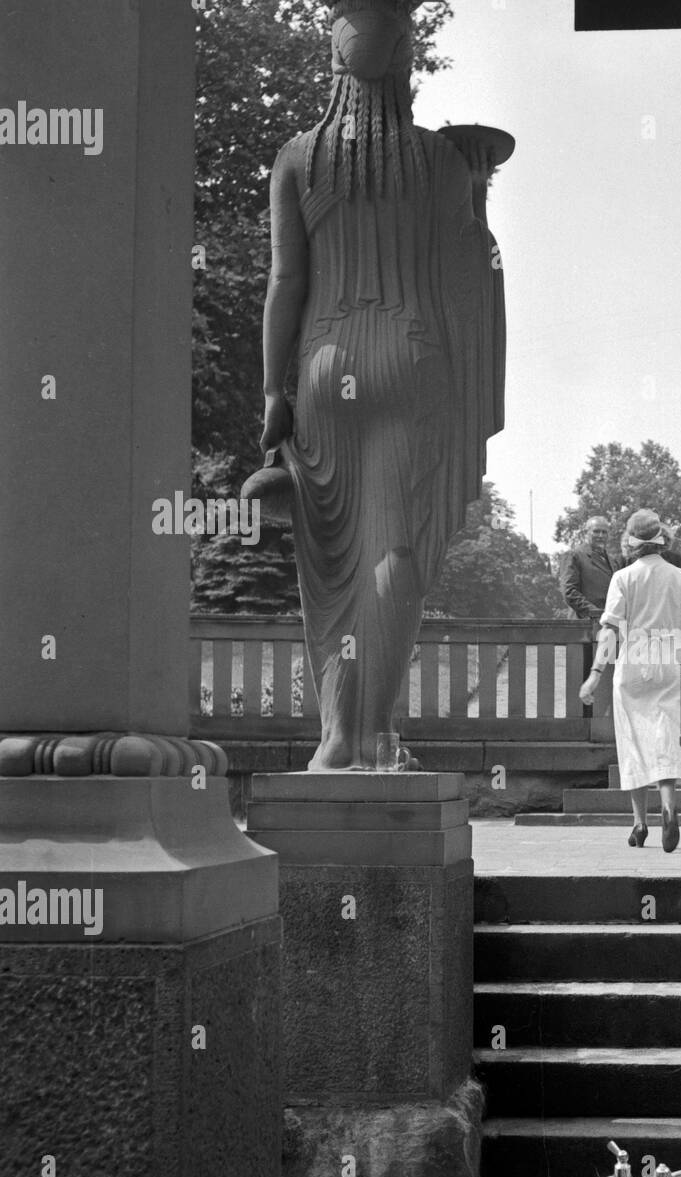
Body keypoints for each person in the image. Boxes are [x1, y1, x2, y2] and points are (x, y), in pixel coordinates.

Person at [254, 0, 505, 769]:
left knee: (329, 558)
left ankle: (335, 736)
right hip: (414, 358)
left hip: (326, 363)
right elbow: (474, 277)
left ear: (335, 64)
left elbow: (285, 281)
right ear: (404, 70)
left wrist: (273, 392)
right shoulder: (440, 163)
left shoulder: (297, 158)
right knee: (395, 548)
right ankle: (377, 731)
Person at [579, 509, 681, 852]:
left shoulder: (623, 578)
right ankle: (668, 805)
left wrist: (594, 676)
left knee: (633, 743)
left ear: (631, 542)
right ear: (661, 538)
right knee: (664, 739)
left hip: (633, 661)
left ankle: (639, 822)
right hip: (669, 660)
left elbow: (611, 630)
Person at [558, 516, 615, 710]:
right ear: (586, 532)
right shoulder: (574, 555)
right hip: (583, 629)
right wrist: (596, 614)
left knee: (604, 681)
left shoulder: (613, 561)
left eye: (604, 532)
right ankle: (580, 731)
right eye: (596, 531)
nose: (600, 535)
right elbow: (569, 591)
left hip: (608, 630)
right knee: (581, 680)